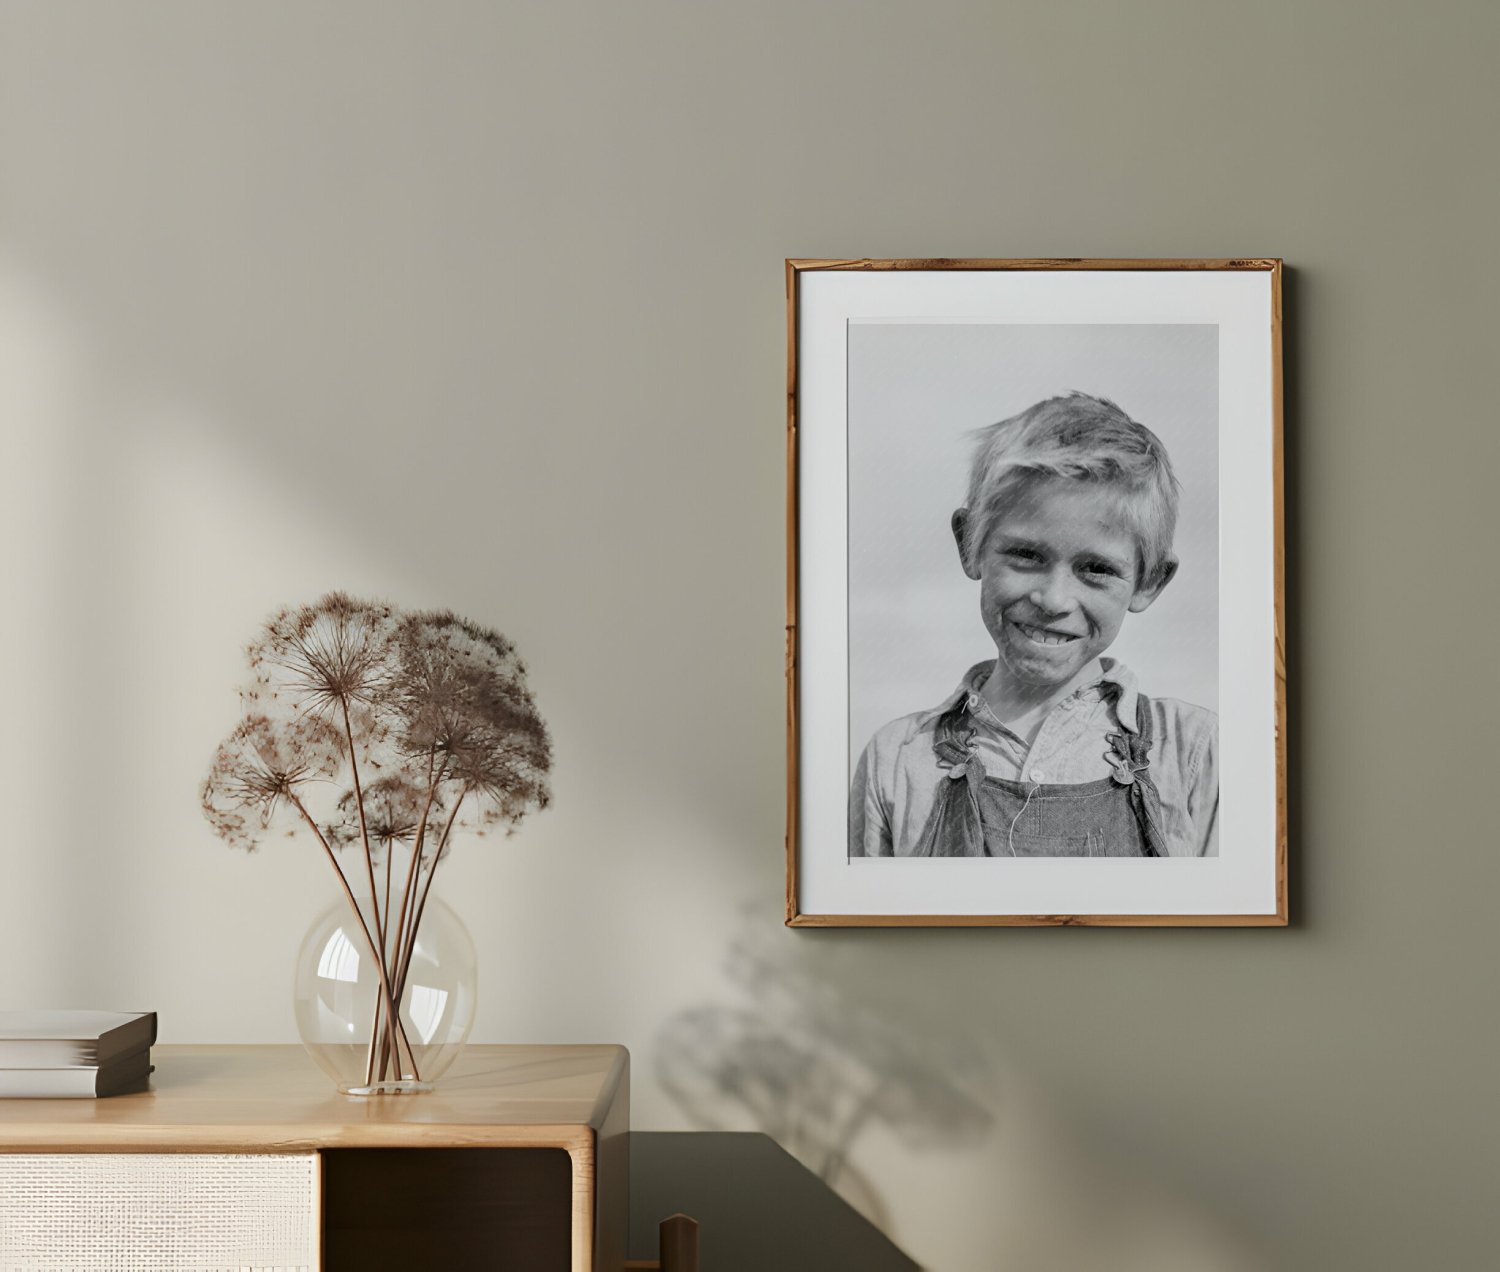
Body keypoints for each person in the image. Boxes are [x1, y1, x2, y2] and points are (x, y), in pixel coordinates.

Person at [849, 392, 1218, 858]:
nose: (1053, 600)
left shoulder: (1193, 752)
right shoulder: (899, 759)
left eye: (1096, 569)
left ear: (1148, 582)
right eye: (1026, 555)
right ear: (970, 544)